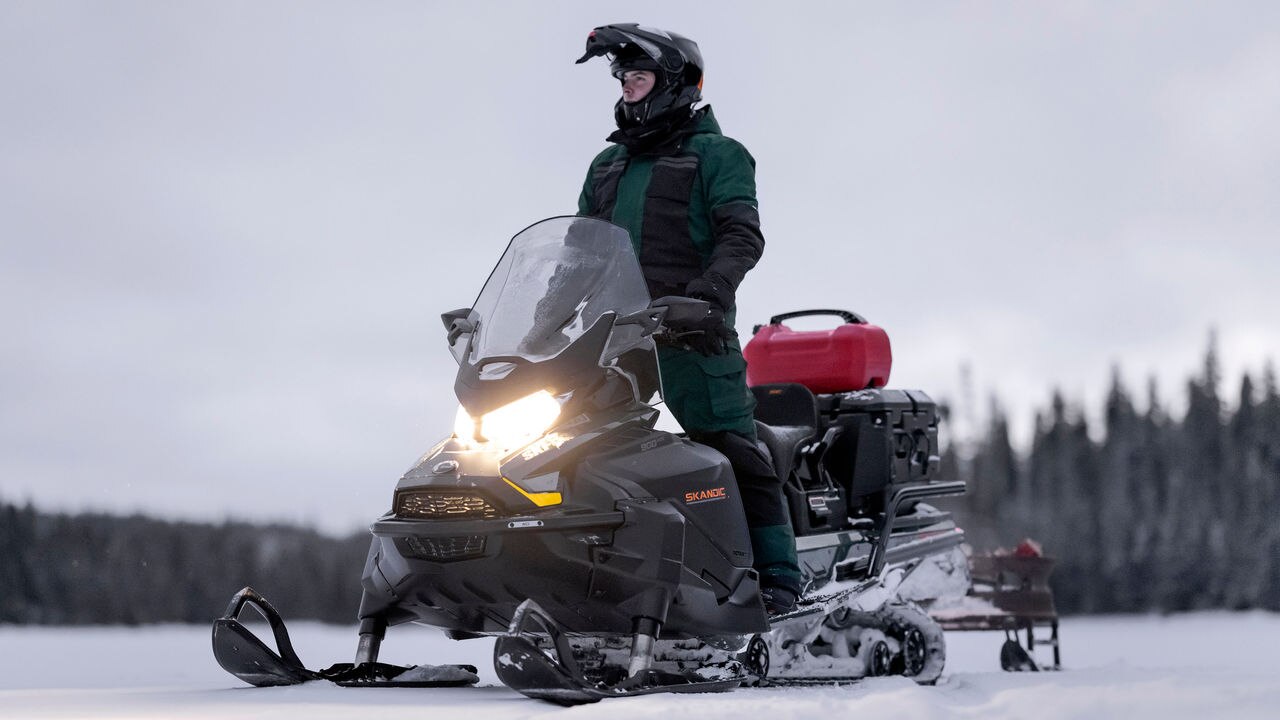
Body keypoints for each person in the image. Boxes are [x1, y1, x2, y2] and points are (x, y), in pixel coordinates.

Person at [574, 24, 801, 615]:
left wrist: (707, 295)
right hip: (615, 345)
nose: (627, 89)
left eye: (639, 77)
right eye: (622, 79)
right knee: (571, 452)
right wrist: (540, 319)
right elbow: (578, 256)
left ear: (676, 83)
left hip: (692, 335)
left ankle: (779, 581)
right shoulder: (606, 166)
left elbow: (740, 235)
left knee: (731, 449)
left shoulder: (718, 155)